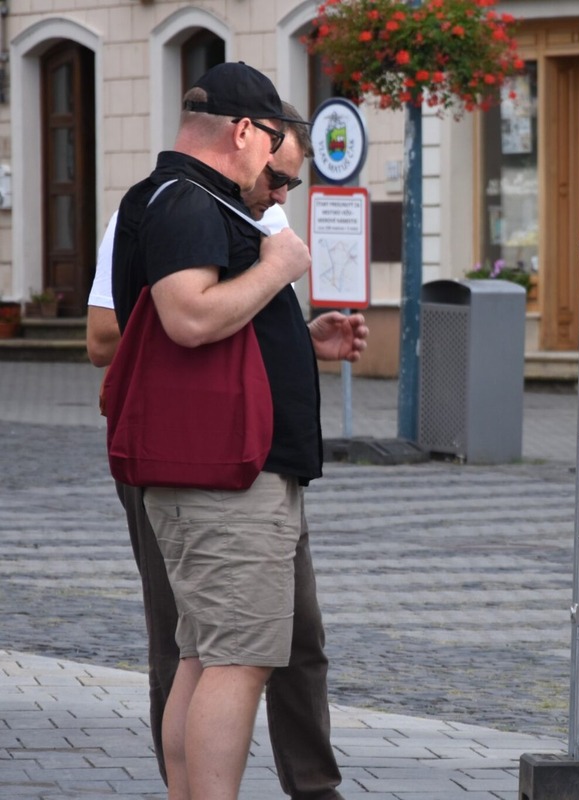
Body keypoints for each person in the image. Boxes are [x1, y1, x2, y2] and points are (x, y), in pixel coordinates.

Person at [103, 62, 365, 800]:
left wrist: (297, 339)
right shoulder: (190, 201)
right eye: (276, 156)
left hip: (215, 469)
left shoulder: (175, 198)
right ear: (246, 131)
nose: (277, 185)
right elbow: (188, 317)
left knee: (203, 656)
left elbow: (209, 334)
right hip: (226, 475)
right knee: (238, 661)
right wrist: (279, 266)